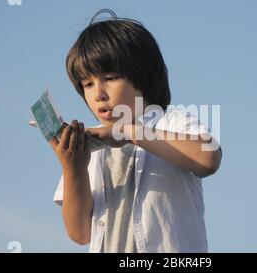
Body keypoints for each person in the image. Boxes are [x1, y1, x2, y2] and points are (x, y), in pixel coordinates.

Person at [51, 9, 222, 253]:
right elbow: (80, 233)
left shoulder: (171, 122)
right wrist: (73, 167)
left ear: (142, 78)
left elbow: (208, 159)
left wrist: (127, 132)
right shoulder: (93, 146)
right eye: (87, 84)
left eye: (109, 77)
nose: (98, 93)